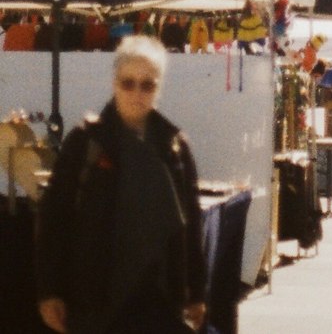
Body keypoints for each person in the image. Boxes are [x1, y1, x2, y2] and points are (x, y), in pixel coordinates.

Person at [36, 34, 206, 334]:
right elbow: (54, 219)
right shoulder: (86, 143)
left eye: (147, 84)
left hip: (159, 304)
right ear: (115, 83)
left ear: (159, 88)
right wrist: (49, 291)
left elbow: (192, 225)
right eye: (128, 82)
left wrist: (196, 293)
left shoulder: (174, 147)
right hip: (96, 304)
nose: (136, 92)